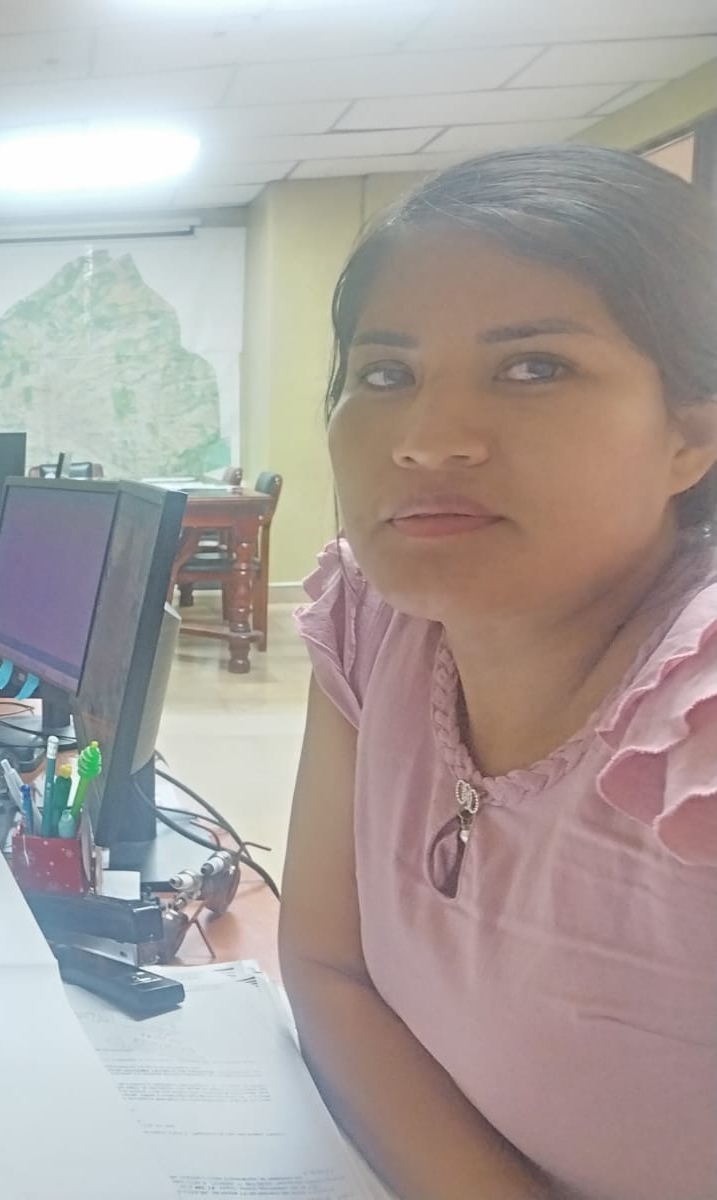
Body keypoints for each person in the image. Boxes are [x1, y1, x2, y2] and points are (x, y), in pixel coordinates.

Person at [280, 144, 717, 1200]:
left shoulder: (695, 717)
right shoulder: (377, 619)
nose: (428, 441)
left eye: (535, 368)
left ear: (689, 436)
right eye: (385, 374)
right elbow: (329, 970)